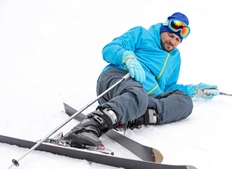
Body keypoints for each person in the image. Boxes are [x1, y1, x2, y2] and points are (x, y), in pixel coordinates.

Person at [63, 12, 219, 149]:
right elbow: (109, 49)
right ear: (163, 30)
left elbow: (168, 87)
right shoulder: (141, 34)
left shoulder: (175, 58)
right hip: (118, 78)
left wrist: (194, 90)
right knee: (137, 94)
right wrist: (126, 57)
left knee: (184, 102)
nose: (173, 41)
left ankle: (131, 116)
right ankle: (89, 127)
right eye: (171, 36)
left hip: (144, 97)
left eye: (177, 39)